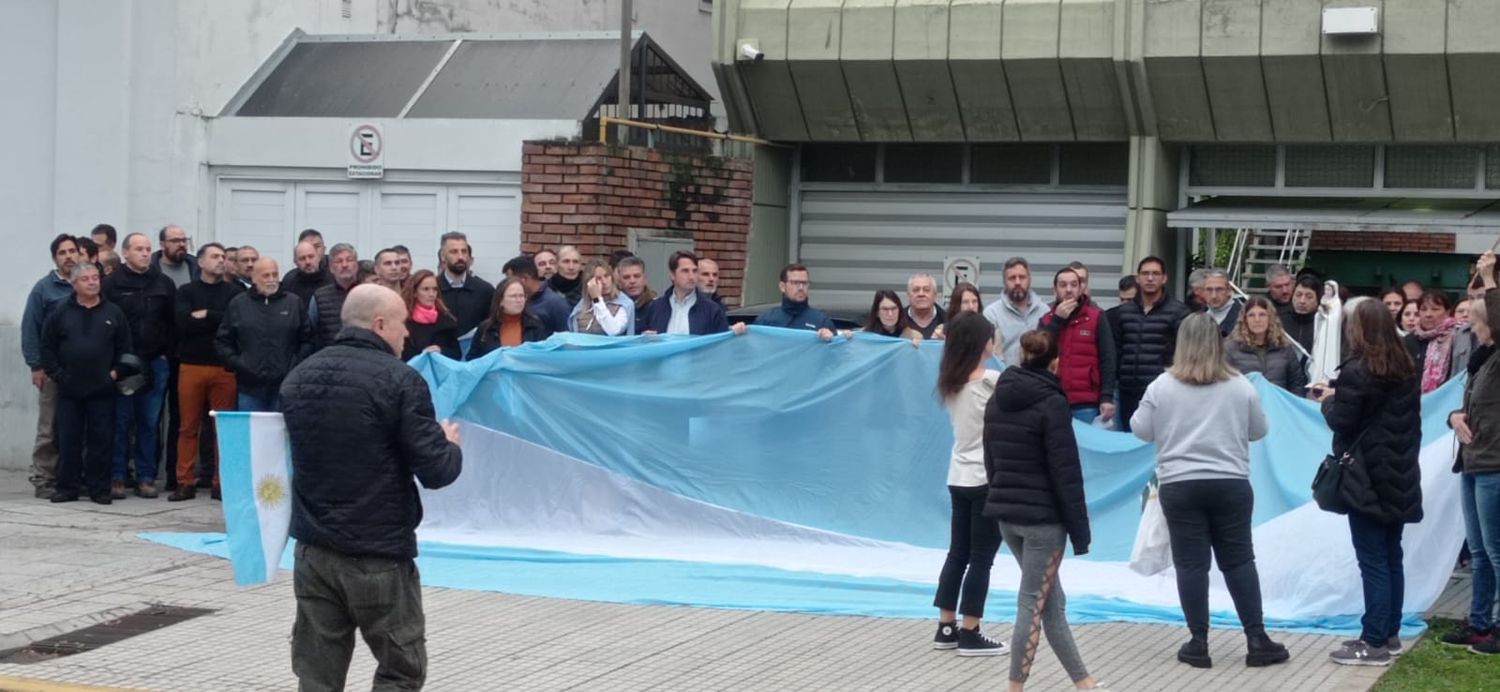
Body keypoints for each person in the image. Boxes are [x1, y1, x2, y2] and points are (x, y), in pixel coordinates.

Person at [281, 284, 463, 691]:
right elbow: (436, 471)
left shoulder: (298, 378)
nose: (407, 335)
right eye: (402, 326)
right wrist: (449, 445)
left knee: (317, 674)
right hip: (377, 553)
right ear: (380, 324)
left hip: (314, 551)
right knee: (401, 669)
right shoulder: (401, 381)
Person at [1131, 313, 1289, 669]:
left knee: (1191, 564)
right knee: (1238, 561)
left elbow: (1140, 429)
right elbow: (1259, 430)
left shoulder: (1162, 386)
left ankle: (1198, 641)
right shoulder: (1239, 386)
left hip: (1180, 484)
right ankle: (1257, 638)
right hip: (1230, 483)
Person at [985, 329, 1104, 690]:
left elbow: (990, 457)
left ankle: (1085, 682)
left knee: (1052, 601)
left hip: (1008, 517)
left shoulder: (997, 397)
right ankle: (1014, 686)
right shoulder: (1053, 403)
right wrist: (1080, 532)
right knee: (1032, 603)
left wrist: (1001, 495)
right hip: (1043, 522)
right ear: (1055, 362)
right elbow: (1066, 473)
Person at [1319, 298, 1422, 666]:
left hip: (1365, 475)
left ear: (1359, 328)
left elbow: (1342, 421)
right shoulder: (1406, 366)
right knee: (1391, 556)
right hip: (1399, 472)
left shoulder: (1359, 369)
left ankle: (1373, 641)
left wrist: (1328, 400)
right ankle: (1389, 633)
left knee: (1373, 560)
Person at [931, 313, 1005, 656]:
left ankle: (946, 627)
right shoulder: (992, 380)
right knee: (981, 558)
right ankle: (971, 630)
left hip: (957, 475)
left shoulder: (950, 382)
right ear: (981, 343)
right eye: (991, 336)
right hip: (986, 478)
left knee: (957, 552)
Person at [40, 263, 132, 505]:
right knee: (68, 439)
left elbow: (126, 350)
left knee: (101, 440)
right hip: (70, 389)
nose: (92, 282)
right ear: (74, 284)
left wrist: (115, 373)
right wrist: (59, 375)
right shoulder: (60, 312)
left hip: (102, 389)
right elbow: (47, 348)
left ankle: (99, 489)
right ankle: (67, 487)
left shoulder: (113, 312)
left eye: (95, 278)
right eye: (86, 279)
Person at [1445, 290, 1500, 654]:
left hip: (1494, 463)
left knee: (1496, 551)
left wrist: (1487, 277)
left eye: (1477, 322)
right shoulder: (1481, 361)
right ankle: (1479, 623)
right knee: (1479, 551)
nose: (1472, 328)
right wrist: (1453, 416)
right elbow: (1467, 406)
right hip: (1472, 460)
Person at [103, 232, 177, 499]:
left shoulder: (163, 283)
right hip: (124, 364)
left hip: (156, 362)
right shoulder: (111, 284)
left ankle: (146, 476)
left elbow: (172, 322)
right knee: (121, 421)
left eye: (147, 249)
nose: (145, 253)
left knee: (150, 421)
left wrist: (166, 354)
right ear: (125, 253)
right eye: (138, 249)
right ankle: (118, 476)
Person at [170, 243, 242, 502]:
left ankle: (221, 482)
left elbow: (234, 324)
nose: (221, 260)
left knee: (222, 429)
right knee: (187, 427)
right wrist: (216, 320)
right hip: (191, 365)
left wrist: (208, 315)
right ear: (200, 262)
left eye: (223, 257)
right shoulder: (186, 291)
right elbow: (183, 324)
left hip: (224, 368)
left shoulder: (234, 293)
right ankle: (185, 481)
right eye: (215, 256)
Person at [22, 234, 80, 498]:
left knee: (78, 426)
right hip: (52, 369)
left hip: (84, 370)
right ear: (55, 258)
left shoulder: (88, 284)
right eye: (62, 252)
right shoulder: (44, 289)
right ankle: (43, 478)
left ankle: (72, 476)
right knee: (49, 427)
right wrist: (36, 366)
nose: (68, 256)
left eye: (72, 251)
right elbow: (30, 329)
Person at [216, 257, 314, 412]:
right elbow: (223, 341)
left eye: (275, 275)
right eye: (266, 275)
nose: (272, 280)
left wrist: (294, 364)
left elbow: (307, 339)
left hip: (285, 386)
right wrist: (238, 364)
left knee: (280, 434)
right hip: (249, 387)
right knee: (251, 435)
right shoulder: (239, 304)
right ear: (254, 278)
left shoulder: (294, 303)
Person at [1112, 256, 1189, 432]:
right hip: (1127, 393)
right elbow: (1114, 353)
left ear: (1165, 278)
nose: (1150, 278)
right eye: (1145, 273)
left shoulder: (1179, 312)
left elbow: (1184, 354)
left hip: (1163, 394)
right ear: (1137, 278)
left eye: (1155, 273)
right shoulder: (1122, 313)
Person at [1041, 268, 1117, 423]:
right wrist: (1057, 321)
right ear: (1054, 290)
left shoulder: (1096, 316)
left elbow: (1108, 358)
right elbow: (1039, 353)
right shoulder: (1046, 320)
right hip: (1052, 399)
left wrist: (1107, 397)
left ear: (1081, 288)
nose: (1068, 290)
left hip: (1086, 402)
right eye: (1063, 285)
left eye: (1073, 285)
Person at [1223, 297, 1307, 394]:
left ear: (1270, 318)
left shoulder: (1284, 347)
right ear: (1244, 319)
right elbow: (1224, 385)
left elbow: (1297, 383)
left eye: (1262, 314)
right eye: (1251, 315)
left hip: (1278, 406)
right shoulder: (1230, 348)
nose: (1257, 320)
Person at [645, 251, 733, 336]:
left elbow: (721, 345)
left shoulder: (712, 310)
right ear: (672, 275)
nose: (691, 277)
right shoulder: (655, 307)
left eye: (694, 271)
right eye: (685, 271)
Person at [467, 278, 553, 359]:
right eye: (513, 296)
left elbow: (542, 358)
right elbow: (473, 360)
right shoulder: (486, 328)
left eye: (521, 296)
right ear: (501, 300)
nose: (519, 300)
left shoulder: (535, 325)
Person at [983, 258, 1047, 365]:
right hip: (1005, 378)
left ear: (1029, 279)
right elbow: (990, 355)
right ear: (1004, 281)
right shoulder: (992, 314)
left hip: (1037, 378)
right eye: (1012, 278)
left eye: (1022, 277)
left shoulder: (1044, 311)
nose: (1017, 282)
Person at [754, 263, 836, 339]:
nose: (801, 287)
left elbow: (836, 350)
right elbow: (752, 347)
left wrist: (831, 339)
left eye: (804, 283)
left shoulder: (821, 321)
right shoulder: (766, 320)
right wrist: (741, 333)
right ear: (782, 286)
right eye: (795, 283)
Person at [437, 232, 495, 337]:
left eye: (464, 251)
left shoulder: (485, 291)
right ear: (442, 256)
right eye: (454, 252)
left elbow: (492, 327)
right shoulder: (432, 289)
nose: (460, 257)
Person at [400, 270, 462, 360]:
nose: (431, 294)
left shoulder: (446, 319)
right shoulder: (402, 321)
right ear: (414, 292)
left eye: (435, 289)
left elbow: (456, 354)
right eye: (426, 289)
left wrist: (440, 350)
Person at [502, 255, 571, 334]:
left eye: (510, 279)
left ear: (524, 279)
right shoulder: (518, 300)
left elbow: (565, 338)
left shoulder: (556, 304)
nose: (508, 284)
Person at [1405, 290, 1458, 393]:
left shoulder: (1456, 337)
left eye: (1435, 309)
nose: (1428, 314)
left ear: (1447, 312)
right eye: (1423, 309)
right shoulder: (1408, 341)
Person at [309, 243, 361, 349]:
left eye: (349, 260)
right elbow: (311, 332)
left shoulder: (369, 293)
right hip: (330, 358)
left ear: (356, 265)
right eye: (339, 261)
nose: (345, 265)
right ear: (331, 268)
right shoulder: (319, 297)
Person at [568, 259, 635, 335]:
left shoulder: (623, 303)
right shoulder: (582, 305)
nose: (604, 282)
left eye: (606, 276)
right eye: (598, 278)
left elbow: (613, 330)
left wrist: (597, 300)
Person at [282, 240, 333, 305]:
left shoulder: (332, 277)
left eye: (311, 257)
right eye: (302, 258)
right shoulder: (289, 281)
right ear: (295, 262)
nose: (307, 262)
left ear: (318, 257)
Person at [1278, 276, 1320, 355]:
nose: (1302, 301)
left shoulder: (1322, 324)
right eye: (1298, 295)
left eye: (1309, 297)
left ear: (1317, 300)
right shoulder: (1279, 320)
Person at [617, 256, 656, 335]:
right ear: (619, 282)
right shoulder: (613, 306)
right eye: (626, 277)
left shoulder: (656, 307)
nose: (632, 281)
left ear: (644, 279)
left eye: (637, 276)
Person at [1200, 269, 1241, 335]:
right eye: (1209, 290)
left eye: (1219, 289)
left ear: (1229, 290)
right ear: (1203, 291)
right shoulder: (1197, 316)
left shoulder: (1244, 317)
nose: (1214, 296)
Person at [906, 273, 945, 339]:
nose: (921, 294)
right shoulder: (897, 321)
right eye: (916, 290)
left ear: (935, 295)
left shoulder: (949, 321)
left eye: (926, 290)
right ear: (908, 295)